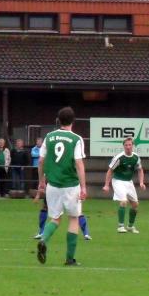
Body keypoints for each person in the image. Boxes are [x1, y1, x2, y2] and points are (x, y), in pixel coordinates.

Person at [36, 107, 87, 266]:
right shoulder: (76, 139)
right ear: (73, 121)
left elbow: (41, 161)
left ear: (58, 120)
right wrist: (84, 187)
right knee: (73, 219)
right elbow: (79, 163)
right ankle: (69, 259)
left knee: (55, 218)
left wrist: (41, 181)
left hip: (53, 185)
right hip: (71, 185)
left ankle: (44, 239)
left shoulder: (49, 137)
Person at [102, 137, 146, 233]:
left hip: (129, 182)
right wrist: (106, 185)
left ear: (133, 145)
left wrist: (141, 182)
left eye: (130, 145)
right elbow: (110, 171)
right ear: (123, 146)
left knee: (135, 204)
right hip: (118, 181)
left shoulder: (136, 157)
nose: (128, 147)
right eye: (126, 145)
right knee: (123, 201)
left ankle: (130, 226)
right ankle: (120, 226)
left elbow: (140, 170)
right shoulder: (119, 157)